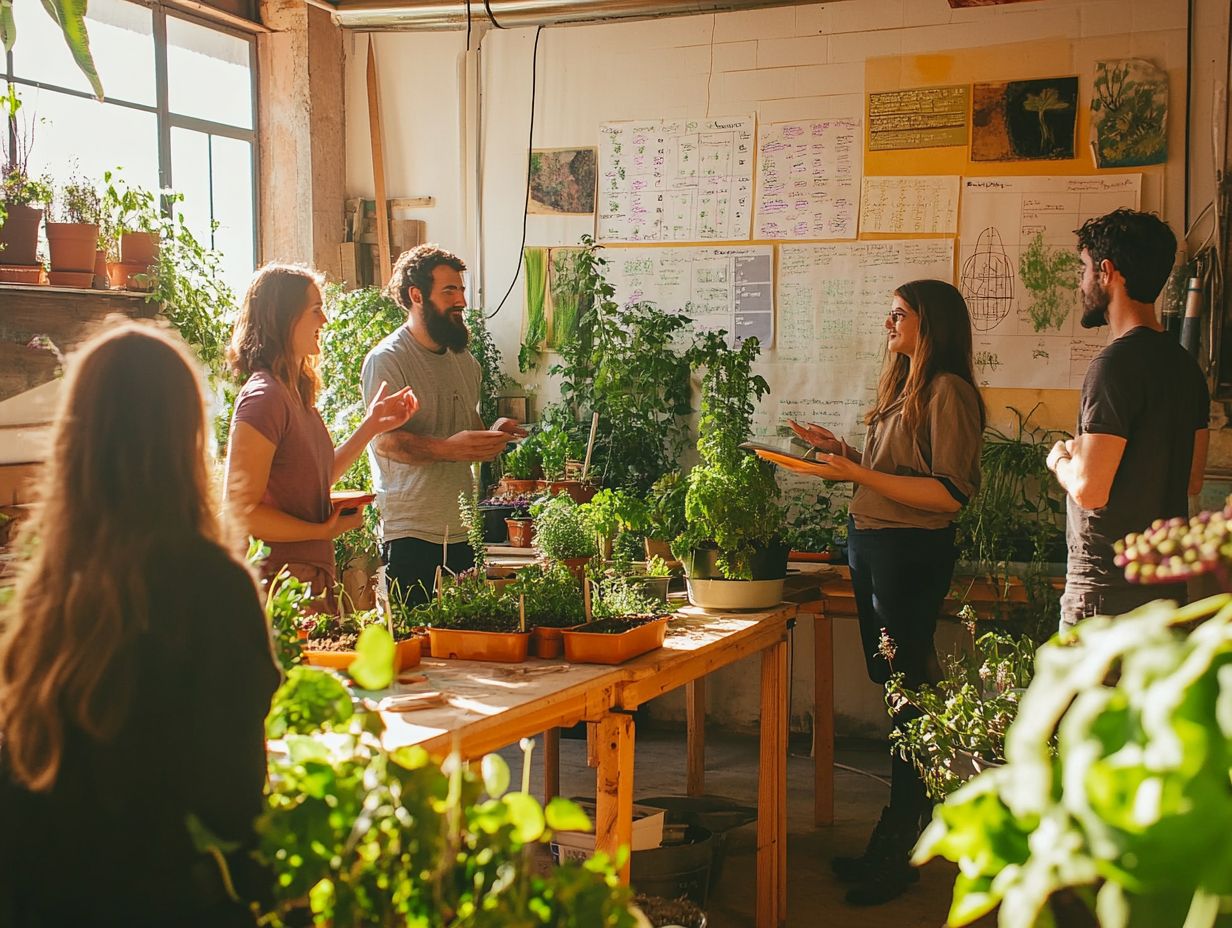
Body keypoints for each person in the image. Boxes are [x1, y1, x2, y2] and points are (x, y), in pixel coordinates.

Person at [0, 321, 280, 926]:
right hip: (164, 900)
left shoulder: (44, 591)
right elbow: (235, 802)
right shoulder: (212, 585)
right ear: (189, 439)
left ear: (75, 441)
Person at [779, 280, 985, 906]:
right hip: (874, 546)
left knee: (908, 698)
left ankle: (899, 847)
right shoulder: (905, 389)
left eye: (899, 315)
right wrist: (838, 451)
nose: (887, 324)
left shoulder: (949, 392)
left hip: (907, 553)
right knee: (897, 690)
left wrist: (855, 471)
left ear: (931, 324)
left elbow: (948, 494)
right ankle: (893, 842)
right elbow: (896, 474)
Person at [1047, 209, 1209, 626]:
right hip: (1166, 594)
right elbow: (1192, 480)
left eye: (1084, 270)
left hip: (1104, 595)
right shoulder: (1185, 367)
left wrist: (1061, 459)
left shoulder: (1113, 366)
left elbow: (1089, 491)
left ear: (1107, 272)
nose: (1081, 283)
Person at [225, 263, 418, 609]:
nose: (325, 321)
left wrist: (372, 425)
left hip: (305, 582)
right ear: (284, 318)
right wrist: (321, 531)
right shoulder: (264, 397)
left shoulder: (294, 396)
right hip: (278, 589)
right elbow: (242, 511)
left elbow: (317, 477)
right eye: (316, 310)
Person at [362, 244, 526, 606]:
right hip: (410, 532)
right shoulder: (388, 360)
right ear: (416, 296)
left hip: (463, 530)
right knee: (415, 646)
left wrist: (494, 432)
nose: (462, 301)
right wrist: (449, 450)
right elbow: (385, 443)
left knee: (463, 645)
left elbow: (467, 427)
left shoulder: (464, 361)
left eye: (462, 290)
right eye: (449, 291)